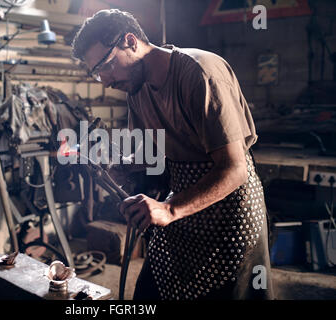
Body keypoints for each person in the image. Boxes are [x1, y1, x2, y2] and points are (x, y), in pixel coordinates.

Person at [71, 9, 274, 300]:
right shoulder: (136, 89)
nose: (105, 80)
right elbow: (151, 156)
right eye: (96, 72)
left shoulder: (200, 73)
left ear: (130, 41)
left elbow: (234, 169)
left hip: (228, 212)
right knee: (153, 292)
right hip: (179, 207)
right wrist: (122, 167)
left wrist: (169, 209)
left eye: (107, 64)